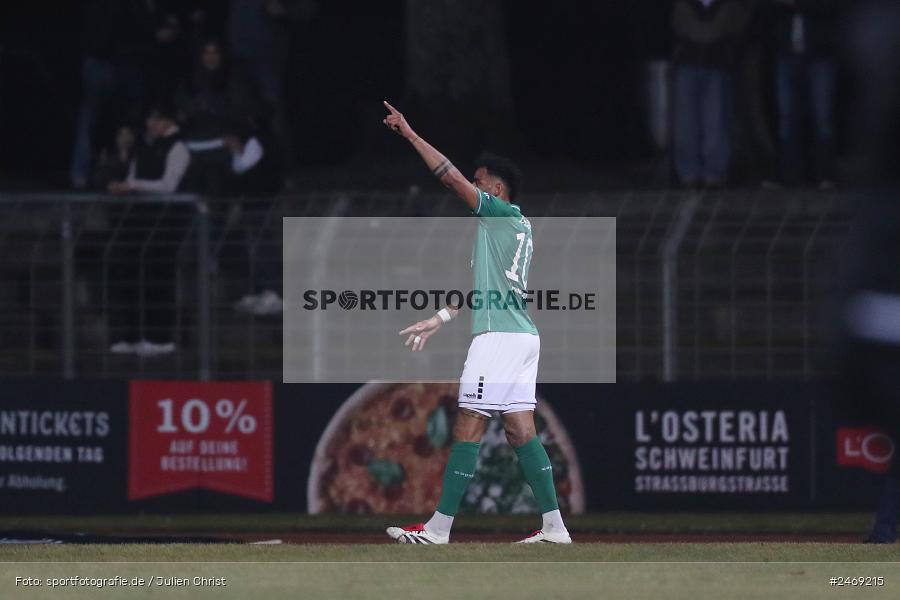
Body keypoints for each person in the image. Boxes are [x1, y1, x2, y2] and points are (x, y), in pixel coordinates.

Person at [380, 101, 571, 545]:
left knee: (469, 420)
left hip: (499, 340)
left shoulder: (501, 216)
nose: (473, 184)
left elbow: (447, 177)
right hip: (522, 337)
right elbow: (486, 288)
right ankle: (555, 528)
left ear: (497, 188)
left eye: (480, 180)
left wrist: (410, 134)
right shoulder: (510, 228)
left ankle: (438, 529)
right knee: (520, 429)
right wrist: (441, 317)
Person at [105, 103, 191, 357]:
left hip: (164, 223)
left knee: (158, 278)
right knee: (129, 275)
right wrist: (126, 184)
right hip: (138, 221)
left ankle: (159, 337)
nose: (150, 126)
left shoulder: (178, 147)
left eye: (155, 120)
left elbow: (169, 185)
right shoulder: (144, 147)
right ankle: (130, 335)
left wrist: (132, 186)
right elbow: (132, 175)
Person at [671, 0, 750, 188]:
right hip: (688, 64)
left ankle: (714, 172)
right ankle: (689, 172)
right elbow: (677, 27)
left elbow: (737, 29)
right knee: (686, 121)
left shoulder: (727, 6)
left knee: (716, 120)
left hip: (717, 65)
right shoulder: (684, 5)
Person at [771, 0, 838, 188]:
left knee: (822, 117)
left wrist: (800, 3)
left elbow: (833, 7)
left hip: (820, 56)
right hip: (786, 54)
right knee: (787, 117)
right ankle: (789, 174)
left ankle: (824, 174)